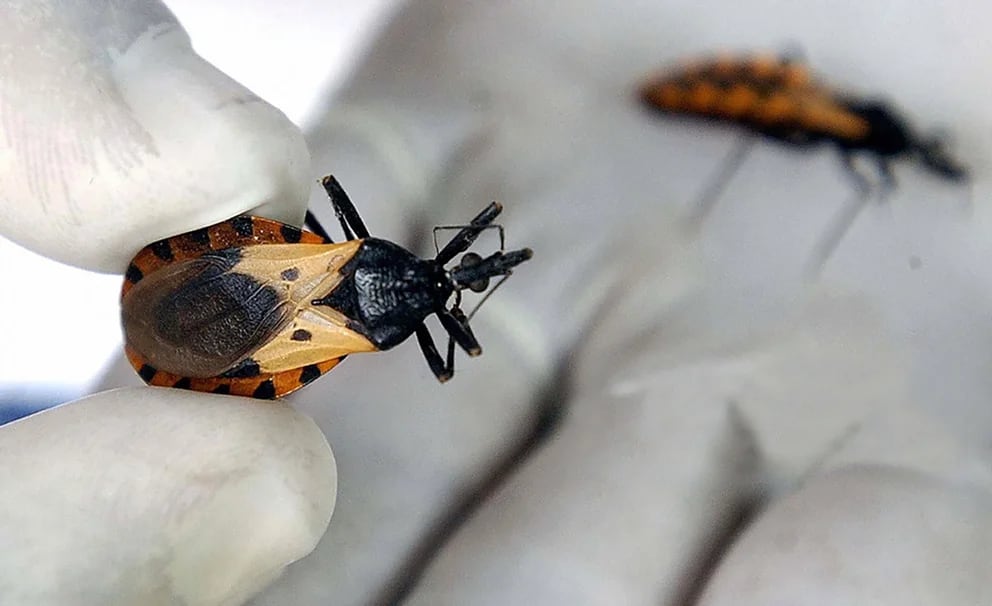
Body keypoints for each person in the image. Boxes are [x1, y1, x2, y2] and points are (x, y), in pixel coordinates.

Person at [3, 2, 991, 605]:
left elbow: (419, 305)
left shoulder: (381, 278)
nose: (452, 279)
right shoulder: (396, 307)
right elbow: (437, 334)